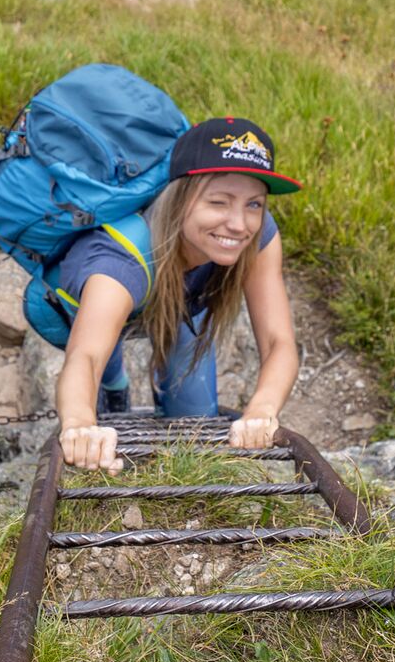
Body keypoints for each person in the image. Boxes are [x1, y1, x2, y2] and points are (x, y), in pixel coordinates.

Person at [52, 117, 301, 469]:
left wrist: (262, 410)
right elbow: (84, 356)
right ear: (180, 200)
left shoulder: (257, 236)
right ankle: (115, 386)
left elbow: (280, 343)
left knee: (194, 422)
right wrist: (78, 425)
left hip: (184, 300)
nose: (239, 223)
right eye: (219, 202)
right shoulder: (120, 262)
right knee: (103, 360)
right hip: (107, 299)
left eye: (254, 204)